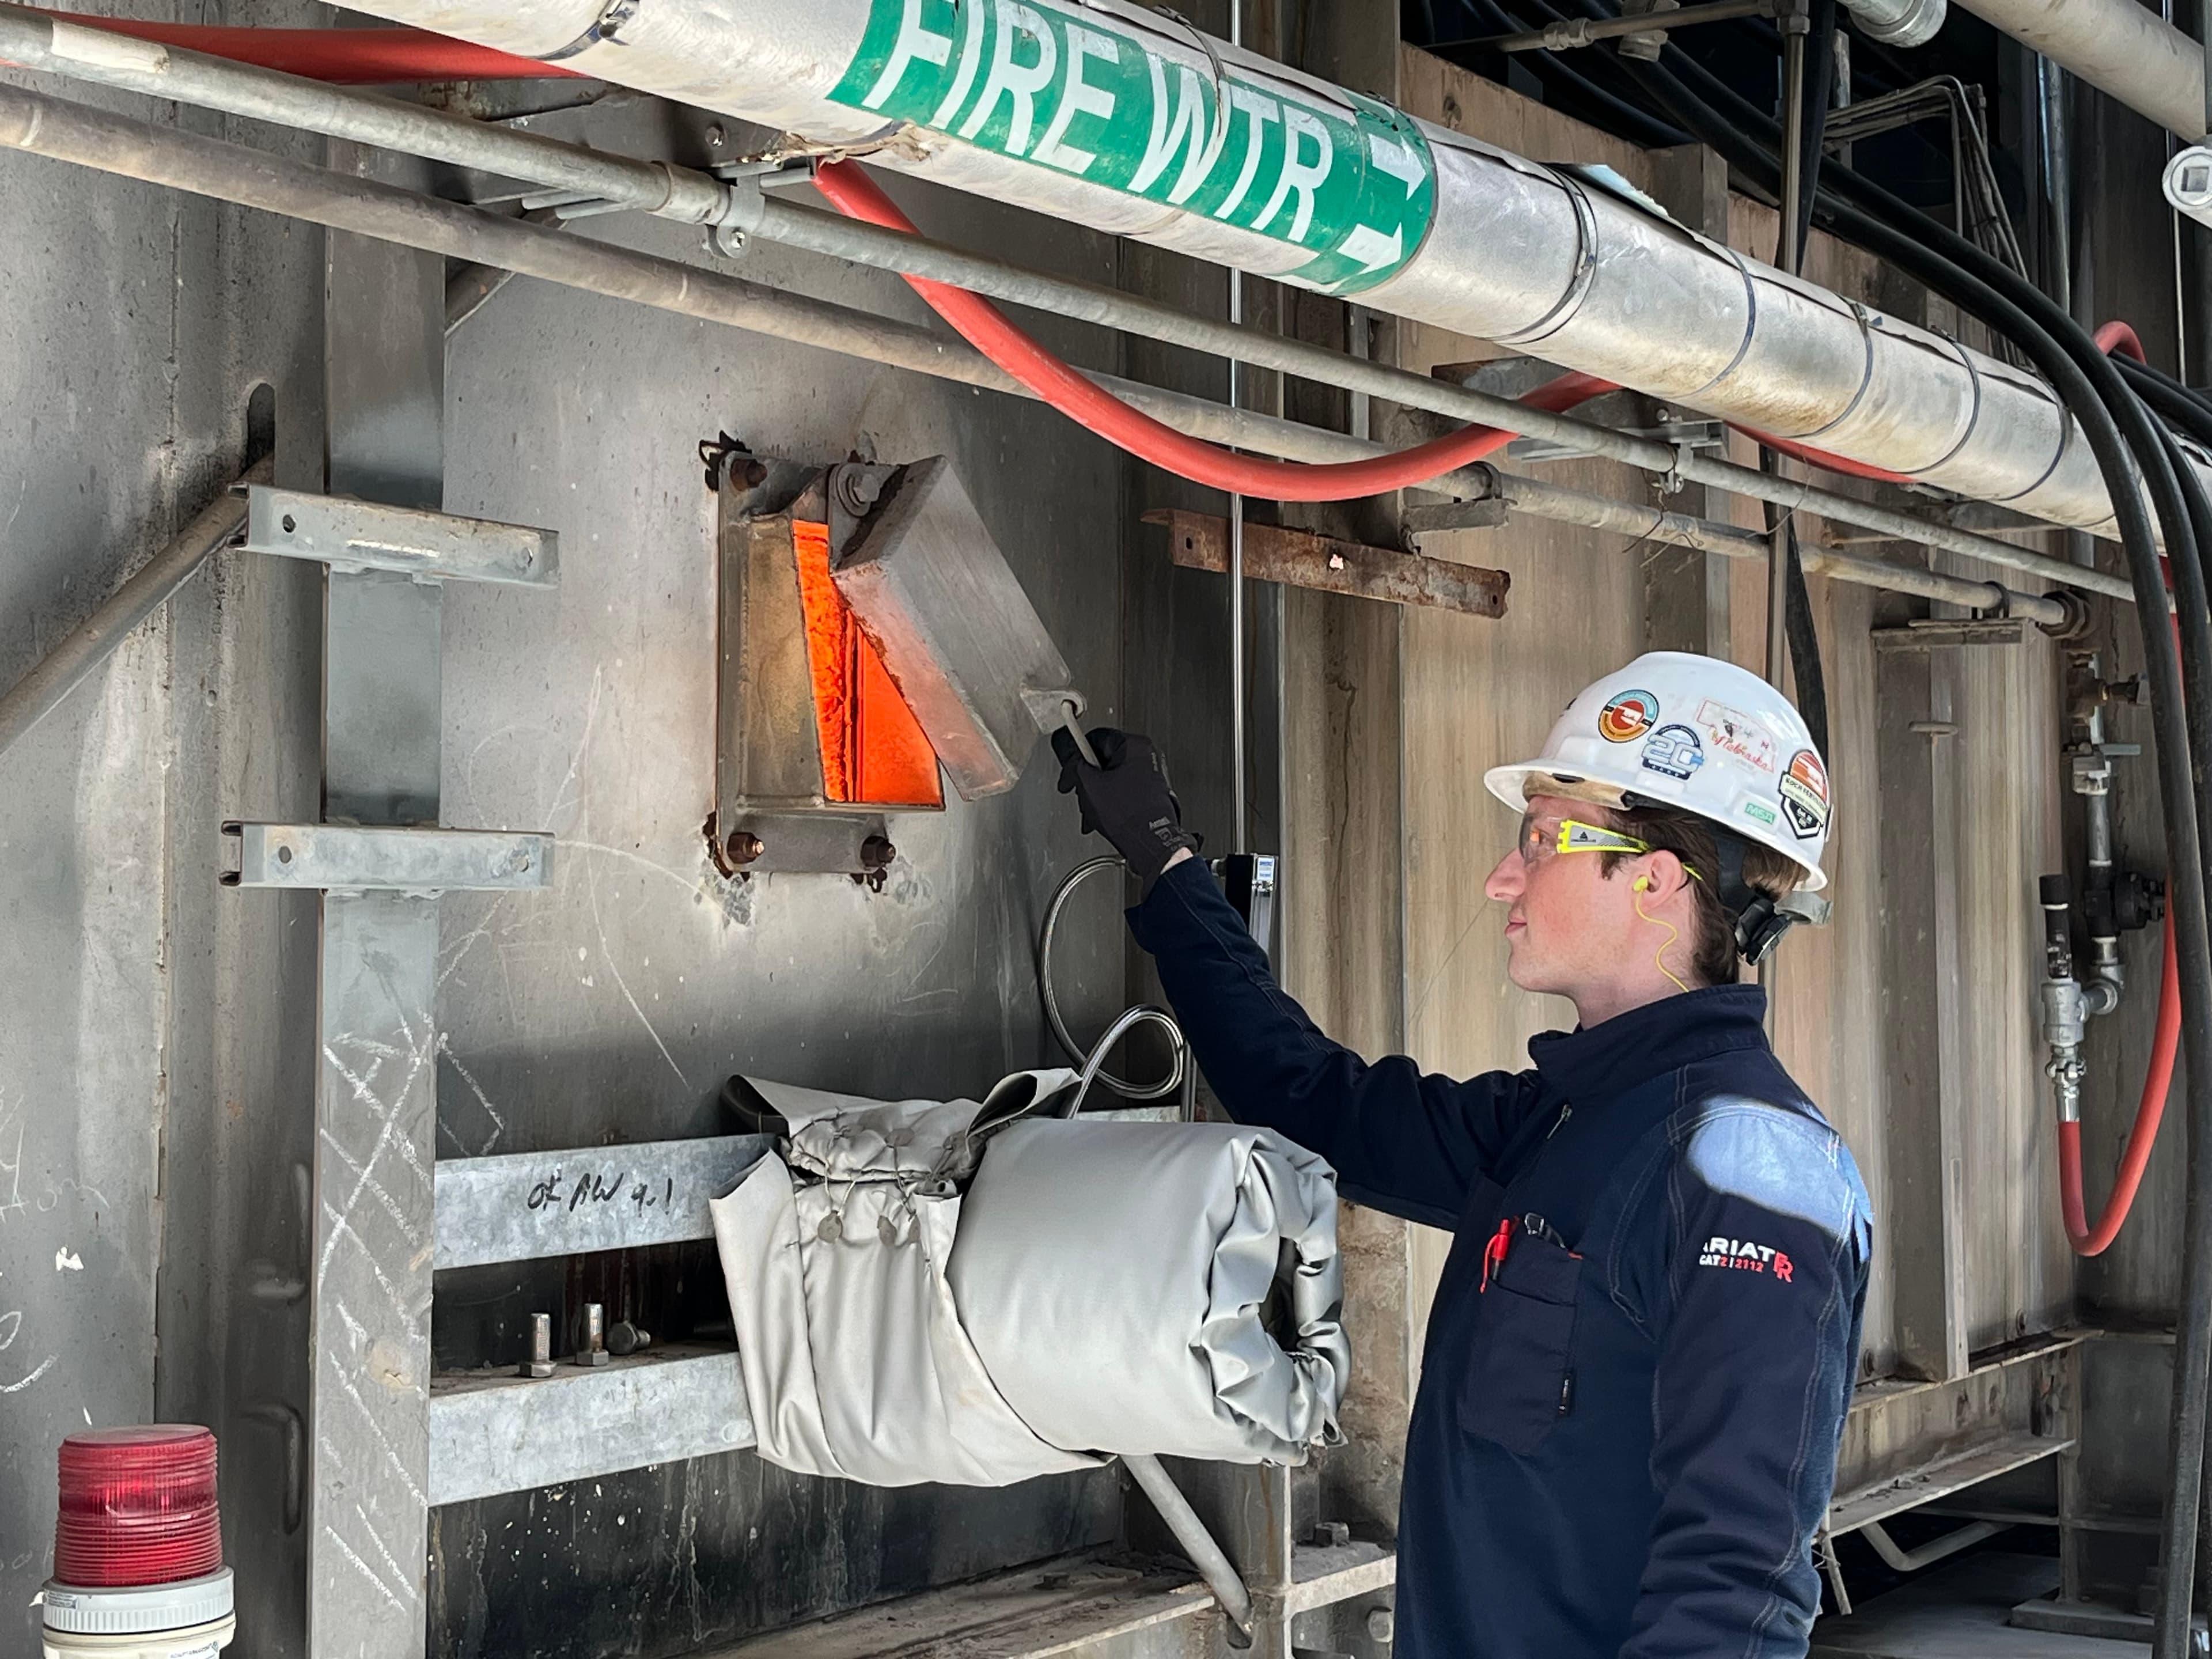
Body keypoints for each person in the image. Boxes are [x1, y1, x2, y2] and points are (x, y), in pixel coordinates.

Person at [1051, 650, 1872, 1659]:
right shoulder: (1564, 1121)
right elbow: (1318, 1101)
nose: (1501, 878)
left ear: (1655, 881)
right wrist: (1168, 865)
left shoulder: (1751, 1175)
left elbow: (1739, 1584)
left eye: (1542, 839)